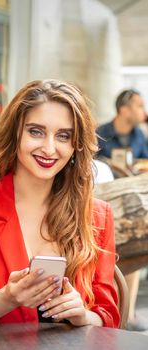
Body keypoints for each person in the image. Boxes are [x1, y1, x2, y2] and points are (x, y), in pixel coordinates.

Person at [0, 79, 120, 327]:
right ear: (15, 134)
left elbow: (108, 317)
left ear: (76, 146)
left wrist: (82, 315)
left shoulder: (97, 216)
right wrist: (7, 298)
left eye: (63, 136)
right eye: (36, 131)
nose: (49, 148)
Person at [97, 89, 148, 332]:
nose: (143, 111)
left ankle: (125, 315)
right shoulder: (101, 135)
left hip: (132, 204)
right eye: (139, 106)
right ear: (123, 109)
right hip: (103, 204)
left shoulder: (141, 136)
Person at [97, 89, 148, 159]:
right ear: (124, 110)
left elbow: (145, 162)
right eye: (140, 106)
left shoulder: (139, 134)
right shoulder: (99, 134)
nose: (145, 112)